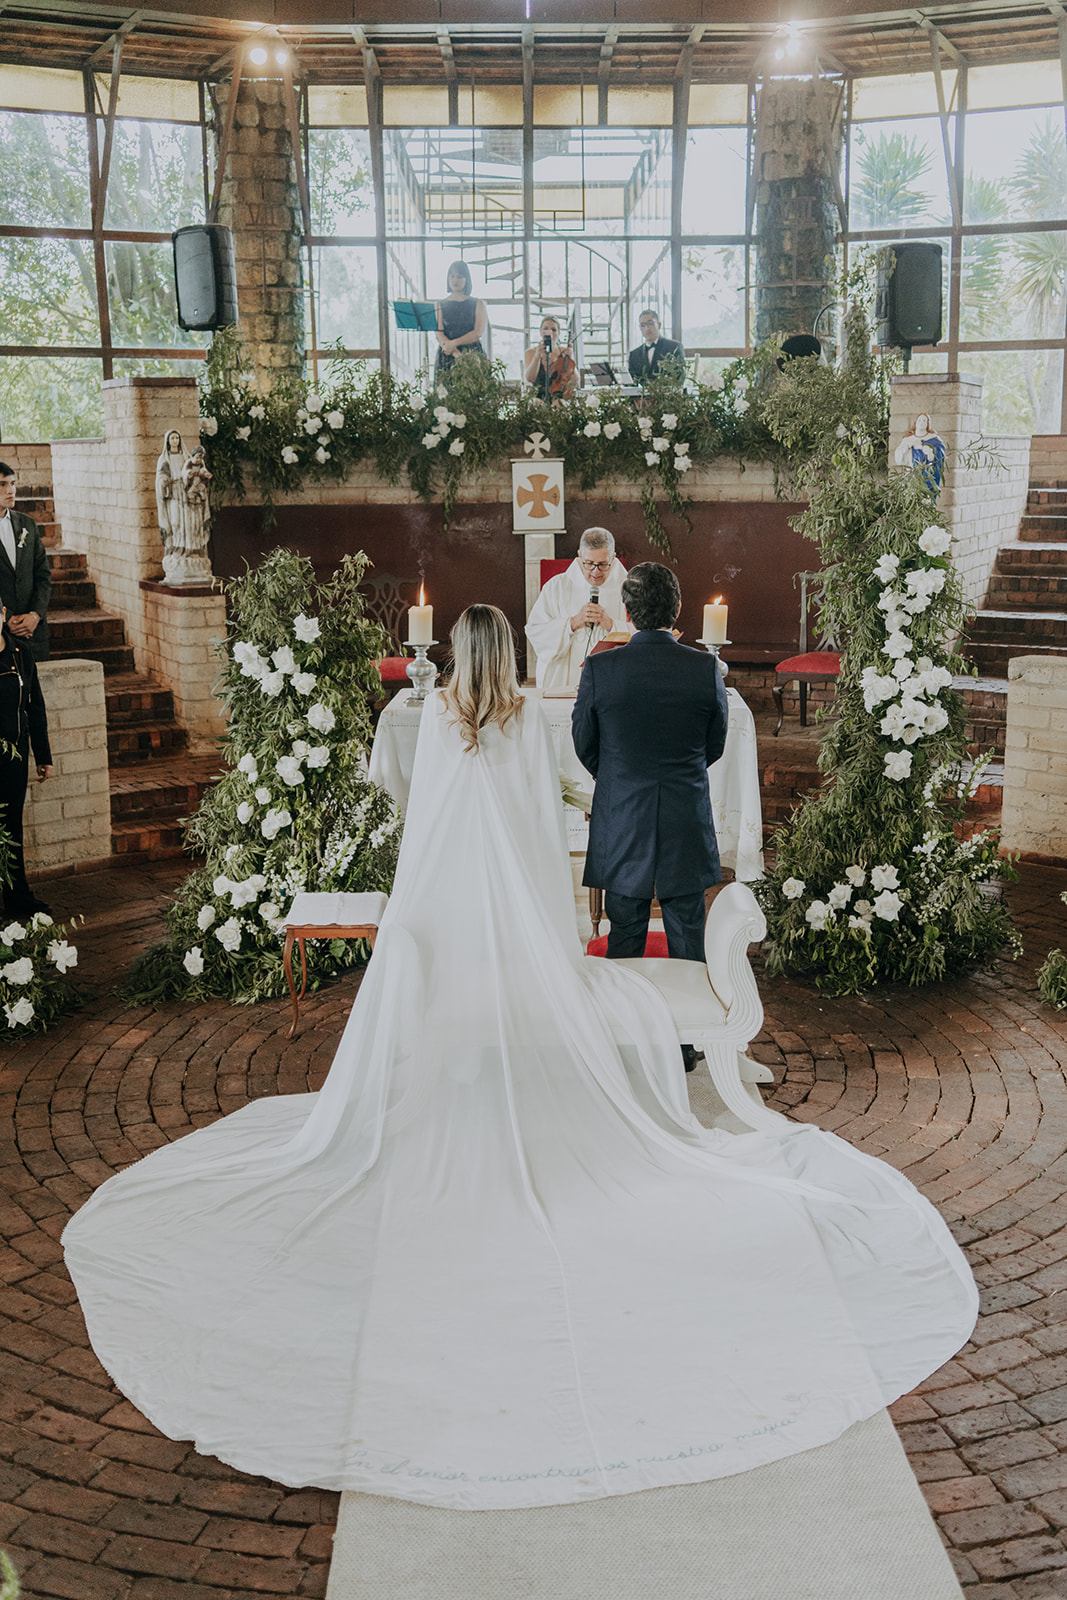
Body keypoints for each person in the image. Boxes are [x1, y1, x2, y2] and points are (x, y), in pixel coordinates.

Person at [62, 603, 977, 1511]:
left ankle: (458, 1081)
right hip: (514, 924)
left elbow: (424, 834)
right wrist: (553, 933)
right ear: (506, 652)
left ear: (455, 654)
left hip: (451, 923)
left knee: (451, 1027)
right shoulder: (522, 722)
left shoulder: (435, 722)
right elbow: (541, 835)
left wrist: (421, 925)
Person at [573, 562, 728, 967]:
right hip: (684, 812)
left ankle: (625, 1008)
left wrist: (618, 774)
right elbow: (715, 743)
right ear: (677, 608)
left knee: (624, 934)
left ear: (626, 611)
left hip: (623, 814)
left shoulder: (600, 668)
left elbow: (584, 742)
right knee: (688, 935)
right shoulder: (705, 668)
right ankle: (691, 1009)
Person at [524, 527, 629, 692]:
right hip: (565, 685)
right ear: (580, 555)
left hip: (613, 685)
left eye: (602, 564)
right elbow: (535, 631)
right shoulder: (557, 587)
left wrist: (612, 625)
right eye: (589, 564)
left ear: (613, 558)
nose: (595, 572)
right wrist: (571, 624)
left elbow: (645, 633)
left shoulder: (630, 589)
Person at [0, 603, 53, 917]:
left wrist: (43, 756)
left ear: (3, 613)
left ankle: (17, 898)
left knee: (11, 828)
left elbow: (35, 706)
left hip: (14, 757)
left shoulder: (20, 652)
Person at [0, 460, 51, 662]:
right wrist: (6, 619)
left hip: (33, 633)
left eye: (13, 483)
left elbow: (43, 576)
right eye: (2, 484)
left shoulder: (27, 524)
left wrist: (35, 615)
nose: (10, 490)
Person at [434, 260, 488, 378]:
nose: (455, 280)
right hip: (447, 354)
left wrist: (454, 344)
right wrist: (455, 352)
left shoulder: (478, 303)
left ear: (467, 279)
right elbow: (439, 333)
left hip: (472, 354)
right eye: (452, 276)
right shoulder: (439, 304)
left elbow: (477, 332)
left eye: (460, 276)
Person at [523, 315, 578, 403]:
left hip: (560, 396)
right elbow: (529, 378)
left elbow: (575, 381)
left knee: (559, 403)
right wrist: (537, 356)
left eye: (553, 330)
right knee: (537, 403)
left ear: (558, 333)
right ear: (541, 331)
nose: (550, 333)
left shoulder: (565, 352)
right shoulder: (531, 352)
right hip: (538, 396)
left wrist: (570, 360)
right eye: (546, 329)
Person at [894, 411, 946, 494]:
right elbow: (898, 457)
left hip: (926, 476)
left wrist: (927, 449)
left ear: (928, 424)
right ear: (916, 422)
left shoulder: (933, 439)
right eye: (919, 420)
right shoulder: (908, 439)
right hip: (911, 475)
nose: (921, 422)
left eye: (924, 420)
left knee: (925, 498)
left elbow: (939, 452)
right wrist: (906, 447)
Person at [628, 309, 686, 384]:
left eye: (650, 323)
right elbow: (633, 382)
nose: (647, 328)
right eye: (643, 325)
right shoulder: (634, 355)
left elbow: (680, 376)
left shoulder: (674, 347)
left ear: (659, 325)